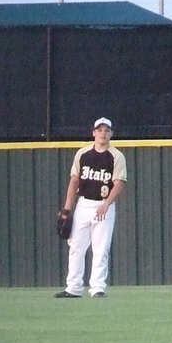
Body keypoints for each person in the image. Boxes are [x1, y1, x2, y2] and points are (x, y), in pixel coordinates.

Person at [55, 117, 127, 299]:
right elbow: (74, 181)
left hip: (103, 205)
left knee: (101, 248)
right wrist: (67, 209)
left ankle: (97, 288)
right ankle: (73, 287)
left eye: (106, 130)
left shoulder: (116, 156)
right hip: (84, 204)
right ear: (93, 132)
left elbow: (118, 184)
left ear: (111, 133)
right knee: (76, 246)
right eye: (100, 130)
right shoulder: (83, 154)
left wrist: (106, 203)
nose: (103, 133)